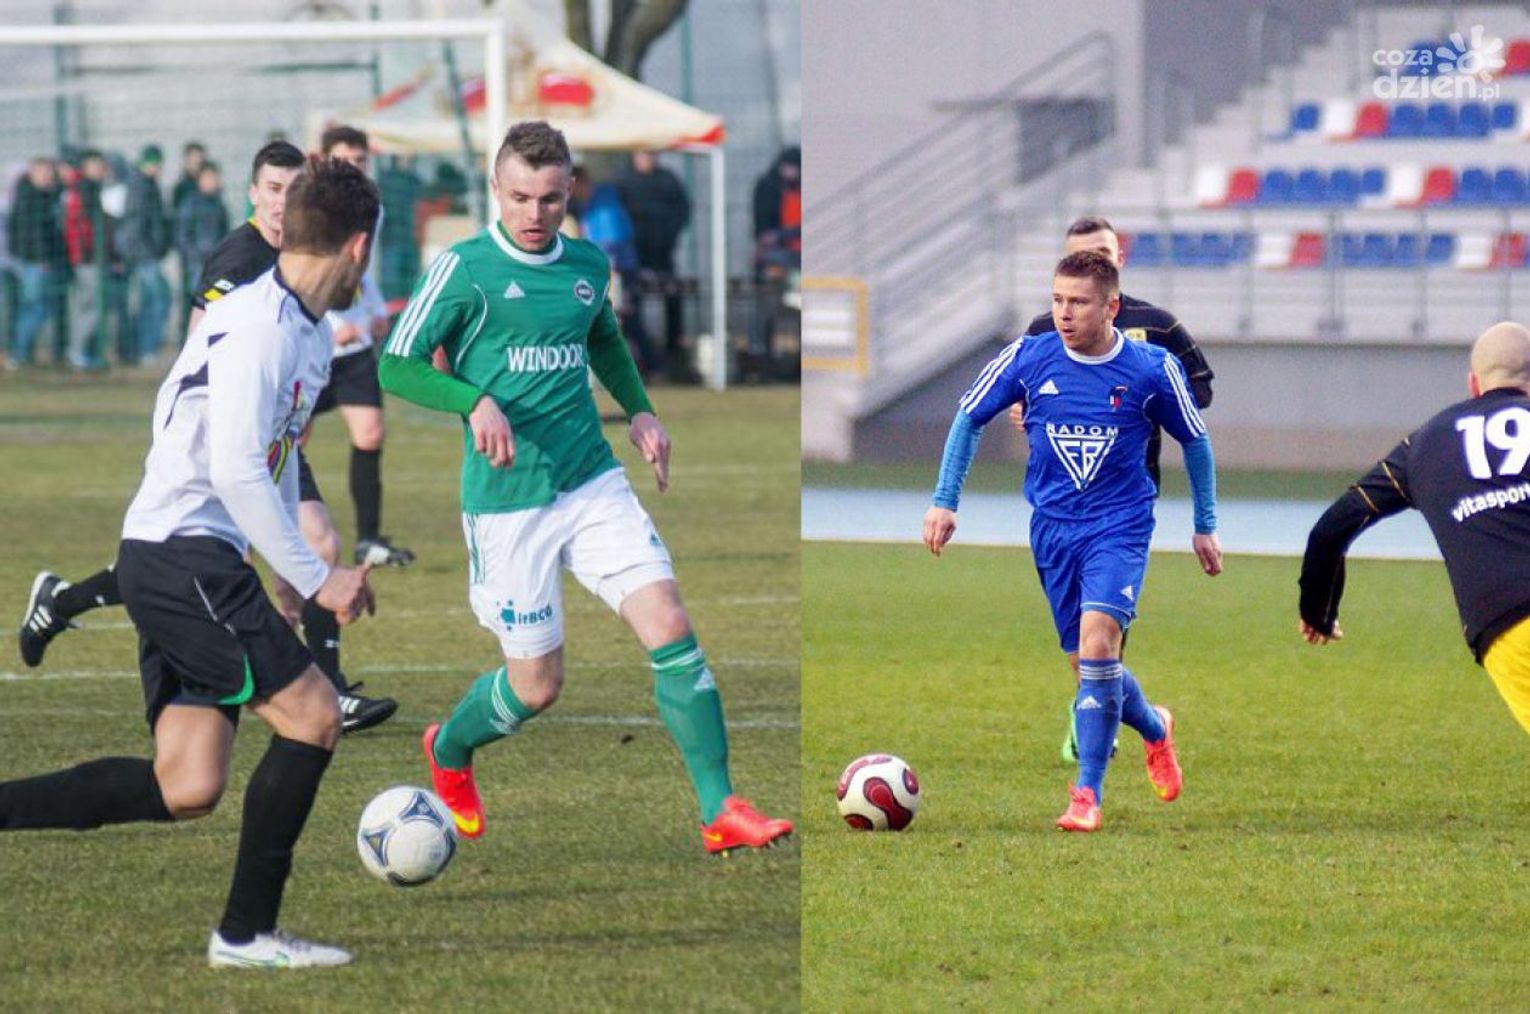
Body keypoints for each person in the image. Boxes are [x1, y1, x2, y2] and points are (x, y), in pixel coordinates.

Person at [0, 157, 378, 968]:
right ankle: (246, 935)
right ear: (359, 246)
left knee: (188, 784)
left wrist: (285, 566)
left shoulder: (305, 331)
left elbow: (272, 455)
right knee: (314, 716)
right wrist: (320, 577)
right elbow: (236, 469)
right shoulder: (258, 324)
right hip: (183, 560)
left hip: (184, 559)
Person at [378, 120, 793, 855]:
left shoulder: (587, 264)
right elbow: (396, 363)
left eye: (549, 198)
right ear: (495, 190)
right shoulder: (464, 269)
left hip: (591, 482)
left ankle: (718, 809)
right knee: (536, 687)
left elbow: (601, 337)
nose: (534, 214)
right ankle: (450, 747)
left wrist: (640, 410)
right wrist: (472, 401)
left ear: (570, 190)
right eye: (519, 198)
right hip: (508, 501)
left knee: (670, 624)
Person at [19, 140, 397, 735]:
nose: (282, 203)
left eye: (292, 191)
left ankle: (327, 687)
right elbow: (202, 351)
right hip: (233, 435)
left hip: (272, 436)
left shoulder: (309, 291)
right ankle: (65, 602)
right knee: (209, 556)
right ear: (253, 194)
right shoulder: (241, 261)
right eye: (272, 190)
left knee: (308, 544)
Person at [922, 250, 1222, 832]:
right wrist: (944, 499)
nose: (1064, 312)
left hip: (1120, 527)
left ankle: (1087, 793)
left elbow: (1196, 441)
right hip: (1053, 530)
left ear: (1110, 307)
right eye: (1058, 300)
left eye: (1078, 302)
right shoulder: (1029, 356)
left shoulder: (1151, 368)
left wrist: (1204, 524)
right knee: (1089, 668)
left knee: (1099, 645)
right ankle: (1156, 727)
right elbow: (968, 416)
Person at [1018, 216, 1217, 764]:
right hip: (1061, 501)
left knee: (1102, 637)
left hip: (1127, 498)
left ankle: (1090, 760)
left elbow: (1199, 390)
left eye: (1102, 253)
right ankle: (1134, 717)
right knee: (1089, 652)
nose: (1068, 309)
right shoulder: (1044, 332)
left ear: (1117, 261)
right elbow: (1021, 389)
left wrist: (1151, 401)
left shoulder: (1157, 328)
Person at [1299, 321, 1530, 735]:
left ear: (1473, 383)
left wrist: (1318, 612)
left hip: (1509, 622)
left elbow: (1330, 531)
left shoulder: (1425, 444)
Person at [313, 125, 415, 569]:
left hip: (353, 351)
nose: (355, 167)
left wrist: (372, 314)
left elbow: (362, 273)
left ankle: (368, 540)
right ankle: (273, 530)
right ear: (324, 160)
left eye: (361, 160)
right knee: (287, 441)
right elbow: (306, 276)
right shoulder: (310, 209)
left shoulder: (374, 208)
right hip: (314, 348)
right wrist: (330, 328)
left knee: (370, 432)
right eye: (346, 160)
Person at [614, 150, 693, 382]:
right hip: (633, 258)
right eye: (643, 155)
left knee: (673, 296)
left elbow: (683, 210)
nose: (647, 159)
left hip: (663, 255)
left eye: (651, 154)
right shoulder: (624, 181)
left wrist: (669, 235)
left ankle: (674, 353)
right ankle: (644, 359)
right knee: (631, 305)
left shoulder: (668, 180)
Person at [5, 157, 67, 369]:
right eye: (42, 172)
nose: (46, 176)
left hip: (38, 261)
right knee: (35, 307)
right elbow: (31, 232)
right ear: (31, 173)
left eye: (49, 172)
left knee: (36, 307)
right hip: (34, 262)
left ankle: (21, 352)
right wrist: (41, 258)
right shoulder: (29, 197)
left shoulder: (44, 195)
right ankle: (17, 352)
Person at [117, 145, 172, 366]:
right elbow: (136, 224)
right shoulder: (140, 187)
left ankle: (143, 348)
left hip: (147, 254)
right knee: (157, 299)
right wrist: (146, 251)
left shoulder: (148, 184)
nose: (157, 168)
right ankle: (145, 348)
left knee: (152, 300)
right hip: (144, 256)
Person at [747, 146, 801, 363]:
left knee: (794, 304)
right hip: (777, 255)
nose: (791, 172)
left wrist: (781, 235)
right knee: (767, 303)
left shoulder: (798, 189)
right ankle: (759, 350)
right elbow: (762, 228)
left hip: (796, 255)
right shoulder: (768, 186)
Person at [62, 150, 110, 370]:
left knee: (90, 306)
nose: (98, 169)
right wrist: (87, 253)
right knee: (91, 306)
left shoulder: (90, 188)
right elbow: (81, 228)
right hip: (87, 258)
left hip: (89, 257)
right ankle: (77, 351)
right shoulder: (82, 190)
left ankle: (83, 352)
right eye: (94, 165)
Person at [174, 161, 229, 329]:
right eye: (208, 177)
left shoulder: (219, 205)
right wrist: (195, 256)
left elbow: (225, 235)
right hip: (196, 265)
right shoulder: (190, 204)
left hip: (216, 266)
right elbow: (182, 236)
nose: (212, 181)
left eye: (214, 177)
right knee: (196, 306)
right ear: (200, 180)